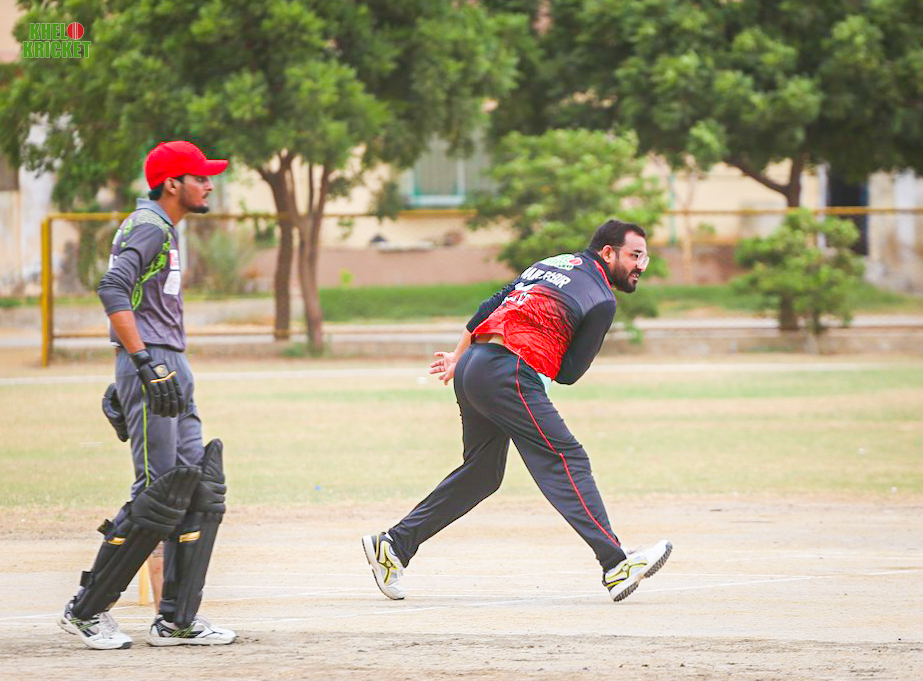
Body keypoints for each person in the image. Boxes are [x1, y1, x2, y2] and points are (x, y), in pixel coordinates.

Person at [362, 219, 672, 603]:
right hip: (507, 372)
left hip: (473, 364)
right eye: (635, 256)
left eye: (645, 257)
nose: (641, 265)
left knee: (482, 474)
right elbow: (569, 373)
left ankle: (393, 546)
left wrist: (458, 356)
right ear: (608, 253)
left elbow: (490, 305)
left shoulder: (552, 263)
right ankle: (616, 564)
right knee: (566, 458)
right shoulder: (602, 299)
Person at [58, 141, 236, 649]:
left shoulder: (163, 227)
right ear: (172, 183)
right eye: (200, 177)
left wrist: (146, 365)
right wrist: (140, 364)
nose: (209, 185)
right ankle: (86, 611)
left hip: (169, 362)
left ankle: (177, 620)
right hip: (153, 364)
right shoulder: (150, 226)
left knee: (199, 487)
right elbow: (112, 288)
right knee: (159, 493)